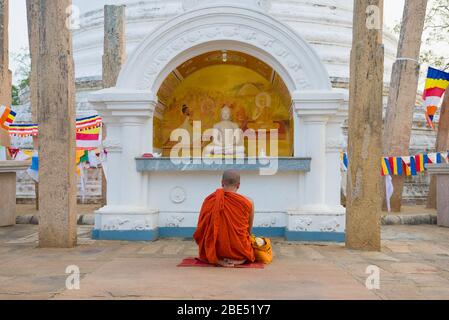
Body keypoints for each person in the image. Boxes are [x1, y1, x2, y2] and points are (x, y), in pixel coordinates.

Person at [193, 170, 255, 267]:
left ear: (222, 183)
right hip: (240, 250)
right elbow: (248, 230)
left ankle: (217, 259)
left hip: (216, 251)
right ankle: (239, 259)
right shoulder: (248, 202)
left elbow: (201, 227)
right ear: (238, 185)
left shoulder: (210, 200)